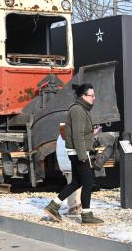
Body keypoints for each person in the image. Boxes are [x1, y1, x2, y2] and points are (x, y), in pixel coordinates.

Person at [44, 83, 104, 225]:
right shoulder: (77, 110)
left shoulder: (81, 109)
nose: (94, 98)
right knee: (88, 183)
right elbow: (77, 135)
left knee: (76, 183)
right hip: (79, 153)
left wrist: (91, 132)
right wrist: (82, 156)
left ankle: (53, 206)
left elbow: (80, 133)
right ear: (83, 96)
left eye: (94, 95)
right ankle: (87, 216)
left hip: (77, 152)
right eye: (91, 95)